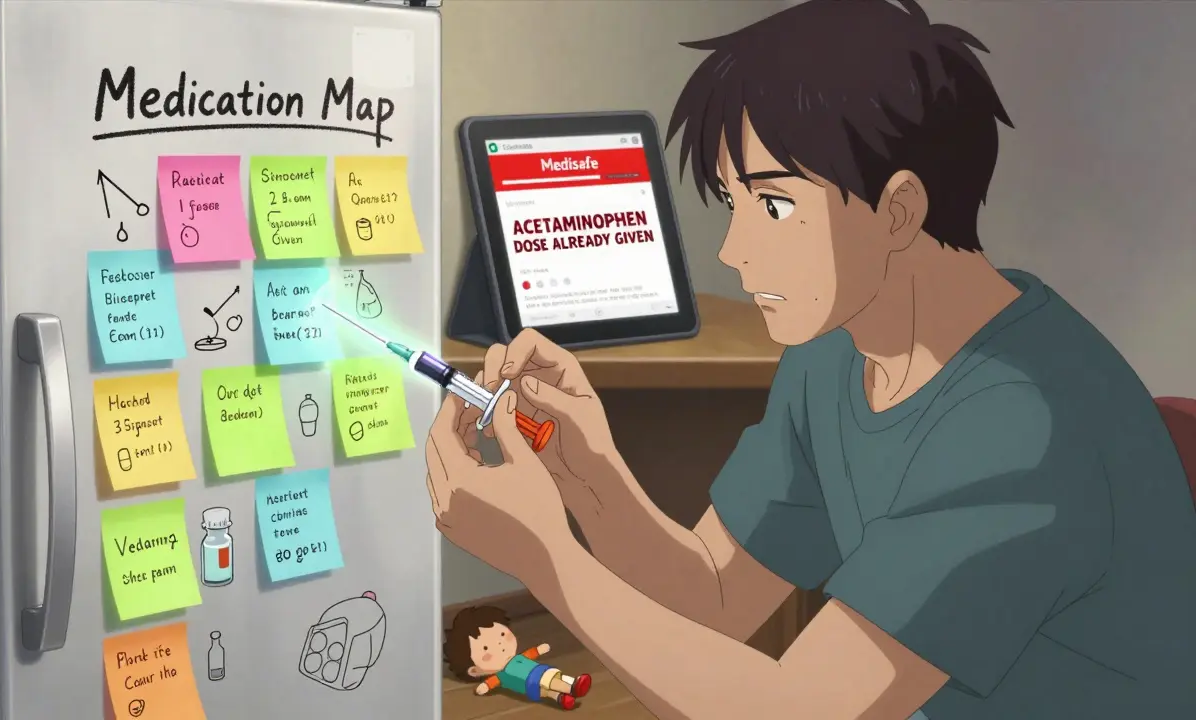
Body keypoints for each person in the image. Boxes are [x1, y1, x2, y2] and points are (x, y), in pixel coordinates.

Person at [424, 1, 1196, 718]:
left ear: (897, 209)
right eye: (734, 203)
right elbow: (717, 593)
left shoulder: (1022, 422)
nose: (733, 251)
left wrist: (543, 552)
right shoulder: (838, 347)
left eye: (776, 204)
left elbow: (798, 711)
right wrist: (590, 478)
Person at [443, 605, 593, 710]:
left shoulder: (513, 663)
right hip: (535, 677)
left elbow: (530, 654)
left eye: (502, 635)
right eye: (486, 648)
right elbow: (490, 683)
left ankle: (561, 698)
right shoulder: (500, 675)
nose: (500, 644)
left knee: (549, 689)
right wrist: (484, 687)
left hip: (530, 688)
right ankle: (572, 686)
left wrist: (538, 650)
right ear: (475, 671)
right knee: (550, 679)